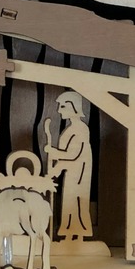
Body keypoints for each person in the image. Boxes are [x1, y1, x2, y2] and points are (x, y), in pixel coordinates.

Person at [44, 91, 93, 241]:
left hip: (79, 175)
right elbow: (67, 155)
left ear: (73, 107)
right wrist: (57, 168)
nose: (59, 110)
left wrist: (53, 152)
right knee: (69, 202)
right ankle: (69, 236)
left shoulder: (81, 129)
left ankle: (79, 237)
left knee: (76, 202)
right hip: (72, 173)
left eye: (63, 106)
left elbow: (73, 154)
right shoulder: (71, 129)